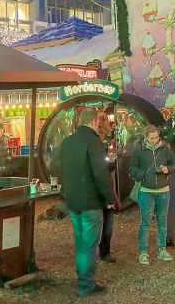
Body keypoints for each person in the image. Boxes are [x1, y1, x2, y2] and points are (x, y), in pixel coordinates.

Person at [59, 109, 117, 297]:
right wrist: (110, 199)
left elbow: (58, 167)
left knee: (81, 242)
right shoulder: (94, 142)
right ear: (94, 121)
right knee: (90, 244)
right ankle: (86, 285)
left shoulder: (67, 142)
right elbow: (101, 174)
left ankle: (82, 277)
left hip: (73, 200)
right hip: (91, 201)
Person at [130, 124, 175, 265]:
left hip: (163, 190)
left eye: (157, 137)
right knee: (145, 222)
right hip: (146, 191)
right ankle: (143, 252)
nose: (156, 140)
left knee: (162, 222)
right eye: (152, 138)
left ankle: (162, 249)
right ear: (146, 138)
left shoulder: (165, 150)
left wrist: (167, 169)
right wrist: (142, 175)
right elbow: (132, 167)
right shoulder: (139, 152)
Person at [98, 120, 121, 263]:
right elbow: (101, 173)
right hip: (101, 191)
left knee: (107, 224)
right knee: (102, 224)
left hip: (106, 190)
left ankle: (105, 252)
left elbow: (105, 170)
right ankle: (101, 252)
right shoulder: (94, 147)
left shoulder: (101, 147)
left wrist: (111, 163)